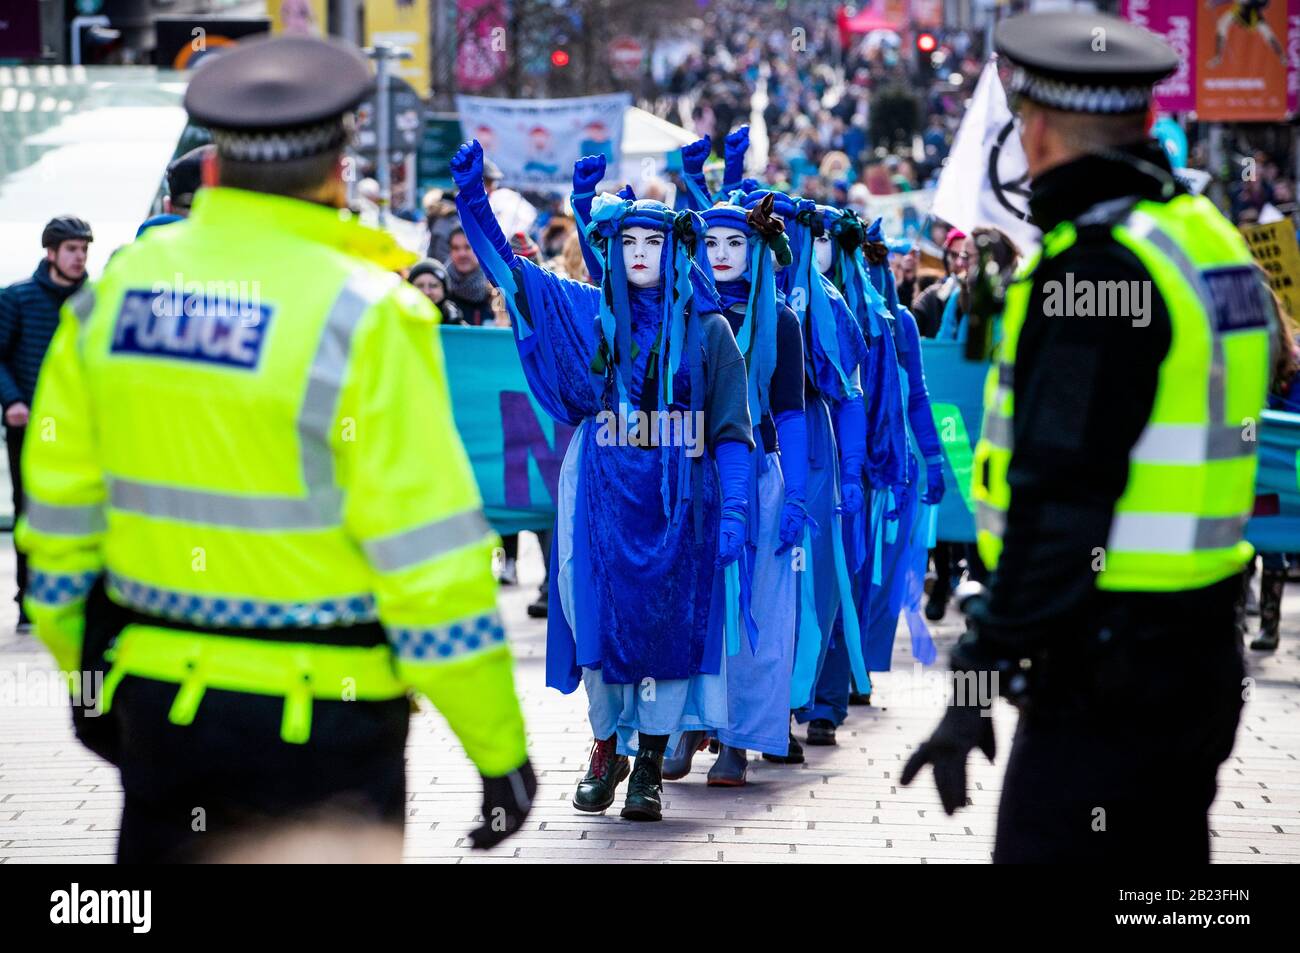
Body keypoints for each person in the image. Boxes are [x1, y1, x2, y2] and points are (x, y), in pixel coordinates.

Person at [17, 35, 533, 862]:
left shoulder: (105, 306)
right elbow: (429, 563)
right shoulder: (371, 317)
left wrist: (92, 687)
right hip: (327, 726)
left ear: (212, 169)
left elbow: (56, 543)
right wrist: (497, 750)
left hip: (160, 711)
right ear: (337, 168)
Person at [901, 12, 1271, 863]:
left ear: (1034, 128)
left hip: (1108, 668)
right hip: (1198, 645)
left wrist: (974, 679)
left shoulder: (1097, 269)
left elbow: (1062, 500)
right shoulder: (1204, 237)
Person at [451, 138, 754, 822]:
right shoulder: (592, 316)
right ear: (613, 250)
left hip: (681, 504)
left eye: (654, 241)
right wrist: (475, 202)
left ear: (674, 249)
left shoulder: (710, 333)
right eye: (628, 242)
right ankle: (606, 744)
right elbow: (512, 274)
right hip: (598, 497)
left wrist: (734, 511)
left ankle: (648, 762)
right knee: (595, 619)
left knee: (669, 630)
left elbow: (732, 430)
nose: (640, 253)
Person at [660, 139, 808, 784]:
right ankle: (685, 725)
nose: (721, 255)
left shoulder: (780, 319)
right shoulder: (679, 316)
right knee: (691, 603)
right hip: (693, 479)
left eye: (734, 243)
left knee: (757, 610)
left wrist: (798, 494)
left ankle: (738, 741)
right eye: (711, 244)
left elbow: (794, 411)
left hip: (763, 476)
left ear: (754, 250)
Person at [0, 215, 93, 631]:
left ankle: (83, 604)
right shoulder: (16, 298)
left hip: (84, 429)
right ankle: (28, 602)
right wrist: (12, 400)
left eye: (84, 249)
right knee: (30, 513)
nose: (79, 257)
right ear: (51, 252)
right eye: (71, 249)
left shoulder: (95, 301)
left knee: (85, 513)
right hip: (32, 425)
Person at [445, 227, 494, 326]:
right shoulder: (441, 290)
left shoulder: (496, 290)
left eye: (468, 247)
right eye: (456, 248)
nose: (462, 254)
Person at [406, 258, 463, 324]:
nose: (426, 292)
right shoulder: (397, 320)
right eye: (420, 286)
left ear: (445, 290)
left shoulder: (457, 325)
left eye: (433, 285)